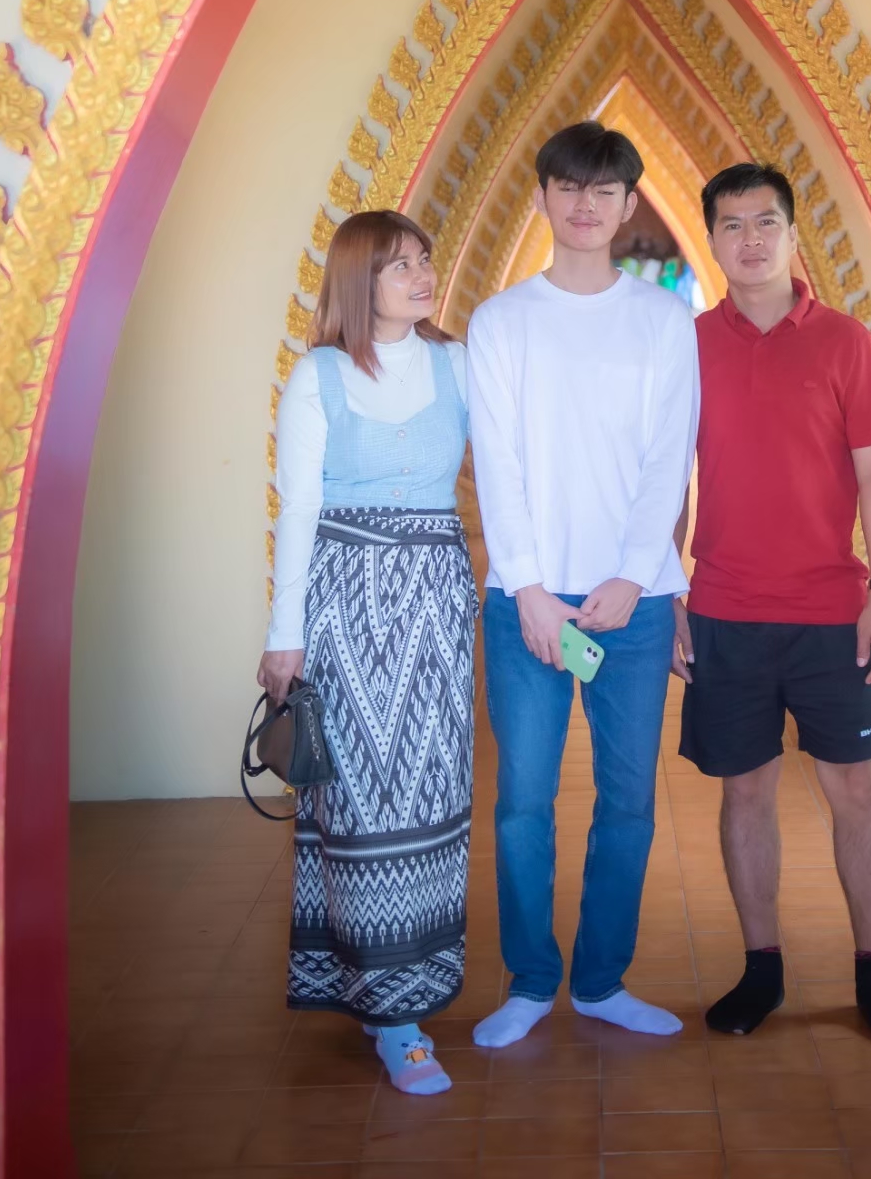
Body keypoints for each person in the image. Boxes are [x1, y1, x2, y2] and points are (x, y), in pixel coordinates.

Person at [674, 162, 871, 1043]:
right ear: (712, 240)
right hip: (724, 609)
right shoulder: (688, 346)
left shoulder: (845, 342)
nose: (749, 239)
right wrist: (669, 591)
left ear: (791, 233)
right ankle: (761, 968)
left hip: (830, 613)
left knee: (855, 790)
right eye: (732, 224)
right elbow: (666, 480)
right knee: (744, 794)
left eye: (765, 222)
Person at [467, 121, 699, 1048]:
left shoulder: (662, 321)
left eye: (604, 190)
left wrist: (633, 576)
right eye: (568, 186)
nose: (585, 205)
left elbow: (668, 457)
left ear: (628, 202)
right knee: (523, 802)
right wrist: (526, 586)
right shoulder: (501, 322)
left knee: (627, 802)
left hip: (632, 605)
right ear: (542, 197)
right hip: (523, 601)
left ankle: (601, 982)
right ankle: (530, 981)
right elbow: (496, 461)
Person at [258, 210, 477, 1095]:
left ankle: (415, 984)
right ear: (359, 280)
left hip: (437, 603)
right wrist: (283, 635)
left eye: (424, 260)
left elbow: (512, 471)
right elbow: (298, 509)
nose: (422, 276)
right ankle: (391, 1014)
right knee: (358, 802)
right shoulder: (317, 376)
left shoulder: (457, 364)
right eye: (398, 266)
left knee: (432, 792)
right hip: (345, 606)